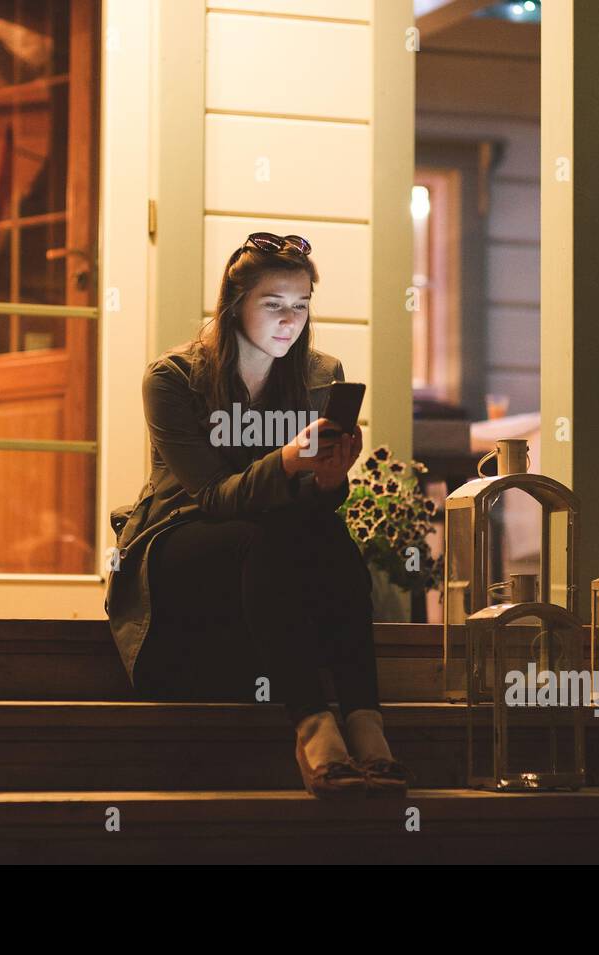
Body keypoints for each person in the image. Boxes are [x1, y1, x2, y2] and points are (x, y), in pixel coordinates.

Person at [105, 232, 410, 799]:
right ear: (235, 304)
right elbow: (215, 497)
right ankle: (314, 724)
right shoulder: (173, 378)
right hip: (177, 540)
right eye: (273, 304)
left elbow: (309, 505)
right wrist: (290, 460)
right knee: (263, 536)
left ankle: (366, 720)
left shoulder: (319, 373)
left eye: (301, 305)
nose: (289, 321)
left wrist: (327, 480)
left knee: (324, 530)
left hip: (275, 548)